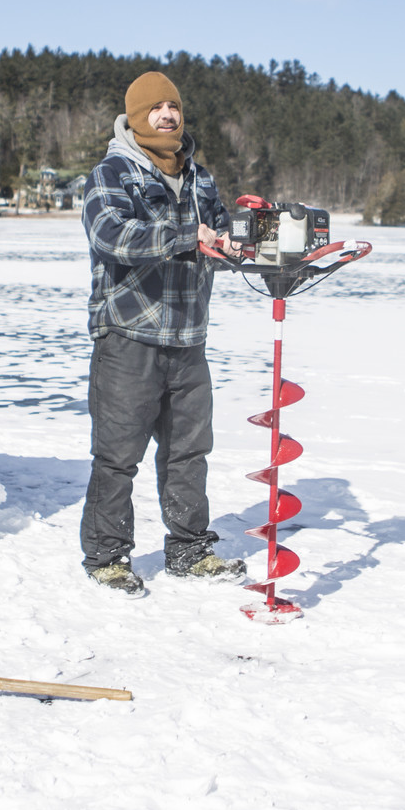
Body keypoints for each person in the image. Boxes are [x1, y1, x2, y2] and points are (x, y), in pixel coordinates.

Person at [78, 71, 246, 594]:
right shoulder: (112, 174)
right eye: (156, 108)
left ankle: (190, 548)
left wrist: (237, 242)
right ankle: (107, 557)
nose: (167, 115)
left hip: (188, 340)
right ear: (135, 115)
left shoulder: (201, 179)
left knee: (189, 452)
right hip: (128, 337)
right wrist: (183, 235)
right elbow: (112, 236)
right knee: (117, 456)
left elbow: (216, 239)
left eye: (173, 106)